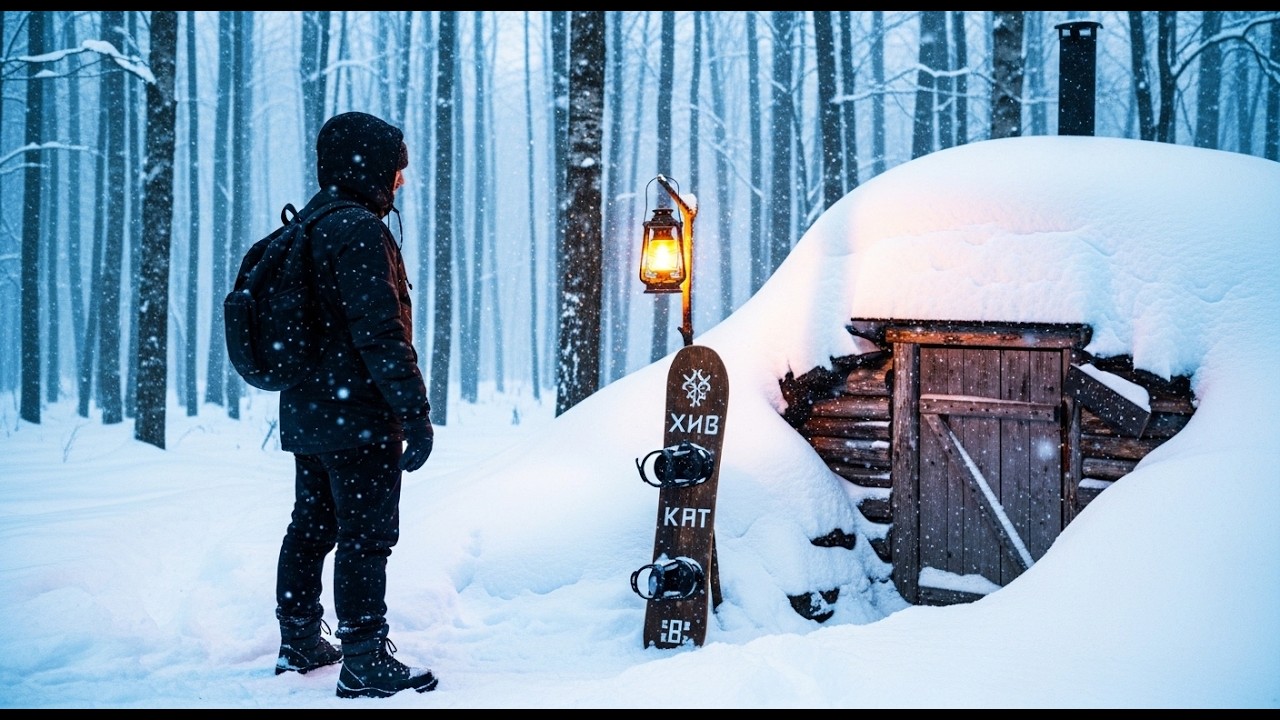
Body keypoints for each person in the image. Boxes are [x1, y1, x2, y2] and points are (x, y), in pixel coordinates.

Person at [272, 111, 438, 699]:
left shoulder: (312, 224)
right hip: (359, 417)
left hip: (311, 414)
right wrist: (414, 413)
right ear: (368, 164)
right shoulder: (360, 231)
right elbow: (381, 333)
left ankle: (299, 639)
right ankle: (364, 658)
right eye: (397, 167)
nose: (401, 180)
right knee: (366, 537)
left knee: (311, 527)